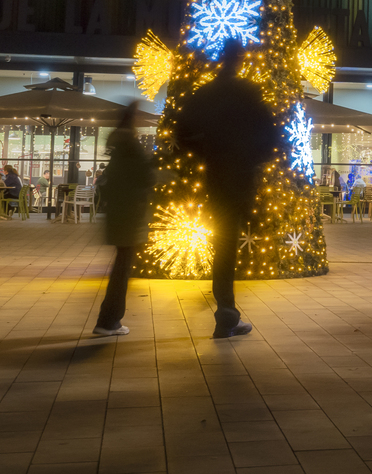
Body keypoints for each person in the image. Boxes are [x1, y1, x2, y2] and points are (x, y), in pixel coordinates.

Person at [172, 41, 280, 339]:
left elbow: (181, 134)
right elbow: (271, 136)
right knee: (229, 246)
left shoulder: (205, 94)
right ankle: (227, 315)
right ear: (240, 59)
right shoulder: (249, 92)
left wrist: (206, 151)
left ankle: (226, 312)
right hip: (241, 180)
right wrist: (252, 156)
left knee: (223, 246)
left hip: (216, 179)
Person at [93, 103, 155, 337]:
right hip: (130, 215)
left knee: (121, 266)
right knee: (122, 269)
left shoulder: (118, 145)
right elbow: (145, 176)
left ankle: (109, 319)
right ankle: (109, 321)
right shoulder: (131, 145)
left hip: (119, 215)